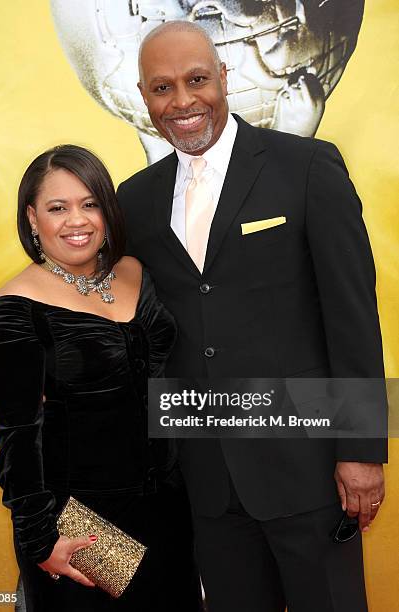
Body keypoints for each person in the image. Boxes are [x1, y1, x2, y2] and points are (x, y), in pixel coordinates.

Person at [116, 21, 387, 612]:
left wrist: (362, 450)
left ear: (225, 79)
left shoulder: (307, 168)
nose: (183, 102)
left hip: (309, 469)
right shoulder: (133, 201)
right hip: (207, 480)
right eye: (162, 88)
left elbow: (353, 317)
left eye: (196, 81)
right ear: (144, 98)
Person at [0, 144, 202, 611]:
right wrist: (40, 540)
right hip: (82, 522)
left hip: (168, 507)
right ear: (32, 218)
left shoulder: (136, 271)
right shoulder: (16, 308)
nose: (76, 221)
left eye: (90, 203)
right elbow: (18, 435)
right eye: (57, 208)